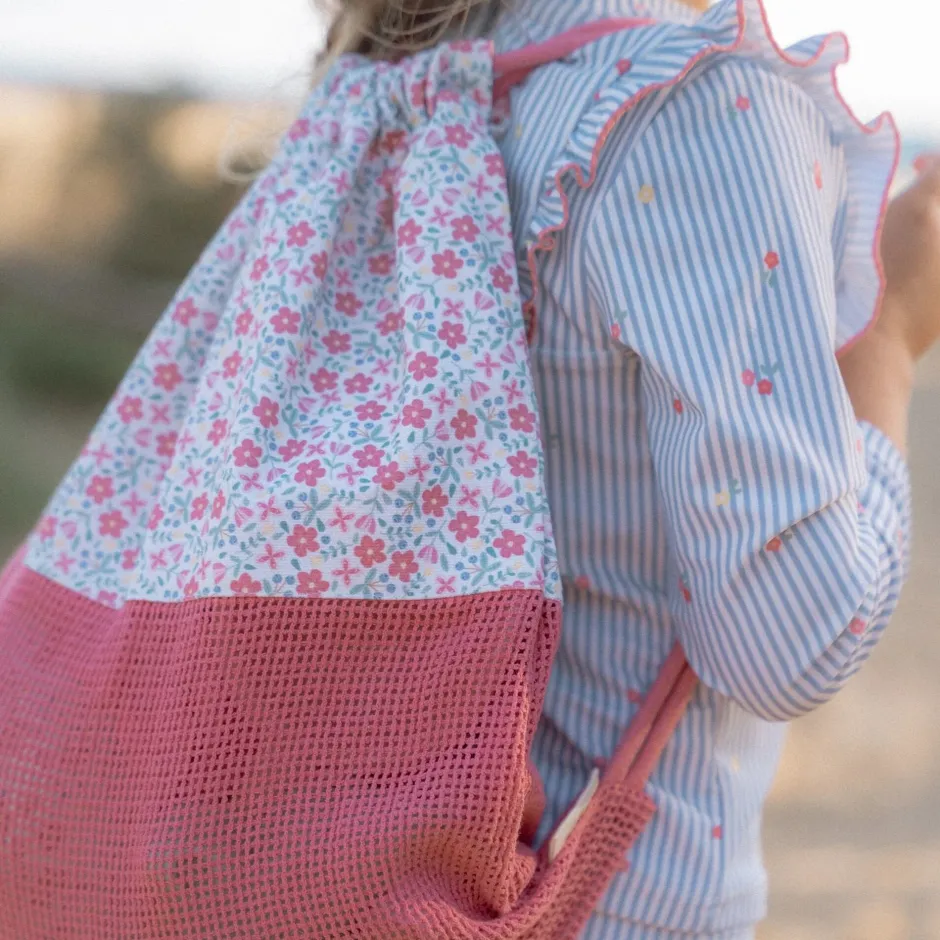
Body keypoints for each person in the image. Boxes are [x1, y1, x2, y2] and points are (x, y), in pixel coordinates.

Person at [327, 0, 936, 937]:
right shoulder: (696, 103)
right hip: (591, 904)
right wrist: (889, 346)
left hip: (346, 870)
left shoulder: (418, 78)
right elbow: (791, 638)